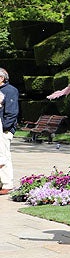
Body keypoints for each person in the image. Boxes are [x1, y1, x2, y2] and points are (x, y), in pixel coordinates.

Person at [0, 68, 19, 196]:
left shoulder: (10, 91)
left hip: (4, 129)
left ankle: (7, 184)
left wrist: (5, 128)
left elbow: (12, 112)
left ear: (1, 78)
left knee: (3, 156)